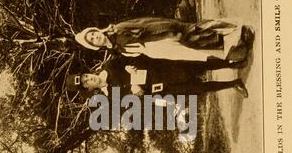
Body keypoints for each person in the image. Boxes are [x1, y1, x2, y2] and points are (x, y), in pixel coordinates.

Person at [75, 17, 255, 63]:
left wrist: (169, 31)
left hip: (163, 34)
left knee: (199, 32)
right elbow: (143, 51)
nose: (95, 37)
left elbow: (146, 25)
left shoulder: (119, 30)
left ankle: (240, 32)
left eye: (93, 34)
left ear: (96, 30)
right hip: (162, 48)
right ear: (94, 46)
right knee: (200, 46)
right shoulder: (118, 49)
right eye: (92, 40)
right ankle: (237, 45)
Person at [66, 54, 249, 98]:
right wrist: (136, 92)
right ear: (88, 89)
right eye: (86, 83)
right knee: (198, 88)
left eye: (87, 76)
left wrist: (131, 68)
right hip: (160, 88)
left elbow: (136, 57)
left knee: (197, 66)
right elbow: (137, 101)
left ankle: (232, 63)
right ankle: (234, 83)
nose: (90, 79)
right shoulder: (111, 96)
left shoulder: (110, 65)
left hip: (160, 70)